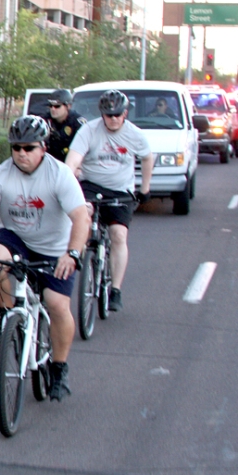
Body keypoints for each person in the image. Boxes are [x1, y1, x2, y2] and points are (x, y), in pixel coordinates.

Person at [0, 115, 89, 401]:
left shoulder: (59, 175)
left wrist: (72, 253)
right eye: (16, 147)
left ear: (43, 148)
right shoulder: (0, 174)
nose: (22, 153)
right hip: (16, 238)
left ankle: (59, 368)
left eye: (29, 148)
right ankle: (9, 313)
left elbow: (80, 218)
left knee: (57, 305)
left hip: (55, 246)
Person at [64, 89, 153, 312]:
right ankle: (79, 260)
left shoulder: (134, 134)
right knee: (83, 215)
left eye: (117, 115)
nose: (113, 119)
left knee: (118, 234)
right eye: (108, 115)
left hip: (120, 189)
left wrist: (145, 189)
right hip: (91, 185)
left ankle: (116, 289)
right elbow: (72, 161)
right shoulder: (89, 131)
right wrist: (66, 181)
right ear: (101, 114)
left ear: (125, 113)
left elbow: (147, 157)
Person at [43, 88, 87, 163]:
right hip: (50, 162)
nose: (53, 109)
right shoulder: (44, 121)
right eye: (50, 106)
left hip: (71, 162)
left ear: (68, 106)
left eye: (57, 106)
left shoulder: (77, 122)